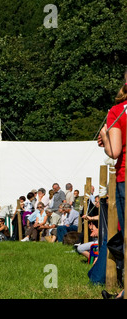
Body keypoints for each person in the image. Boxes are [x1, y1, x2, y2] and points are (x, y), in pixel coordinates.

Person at [98, 75, 127, 299]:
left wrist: (105, 137)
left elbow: (114, 152)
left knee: (125, 236)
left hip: (125, 176)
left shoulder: (118, 111)